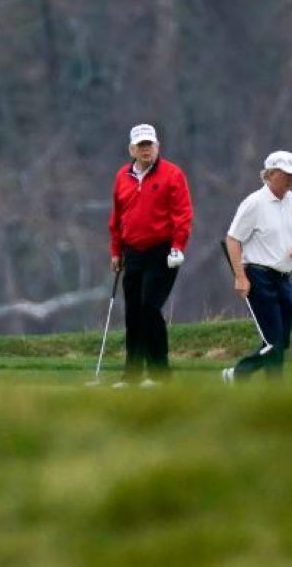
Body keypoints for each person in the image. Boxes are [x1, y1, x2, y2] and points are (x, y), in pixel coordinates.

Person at [108, 124, 194, 387]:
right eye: (141, 145)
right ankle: (132, 375)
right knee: (133, 312)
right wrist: (116, 251)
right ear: (132, 149)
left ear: (157, 146)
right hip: (133, 252)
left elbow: (183, 214)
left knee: (149, 307)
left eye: (150, 145)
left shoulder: (172, 174)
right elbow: (117, 218)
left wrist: (178, 246)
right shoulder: (122, 176)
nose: (146, 149)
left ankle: (159, 373)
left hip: (163, 251)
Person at [222, 150, 292, 383]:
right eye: (285, 174)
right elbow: (233, 239)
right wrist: (240, 278)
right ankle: (273, 389)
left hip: (283, 278)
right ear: (270, 174)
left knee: (281, 341)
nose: (291, 179)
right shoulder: (254, 203)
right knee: (273, 341)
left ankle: (239, 374)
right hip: (258, 276)